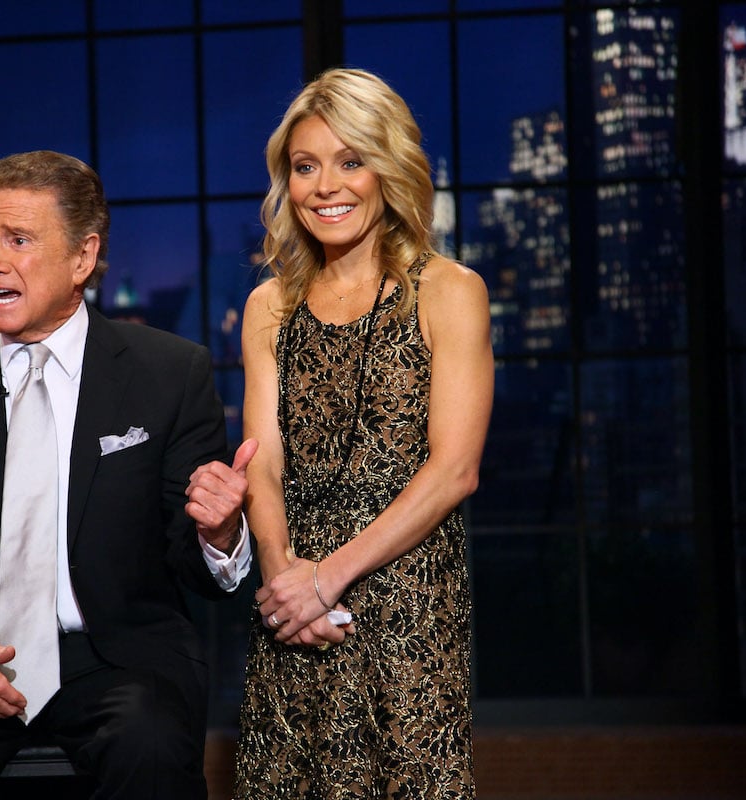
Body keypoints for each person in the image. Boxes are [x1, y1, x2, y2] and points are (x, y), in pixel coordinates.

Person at [0, 150, 257, 799]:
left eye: (18, 240)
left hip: (117, 657)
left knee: (150, 751)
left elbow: (197, 572)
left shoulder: (168, 373)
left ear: (83, 256)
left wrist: (220, 534)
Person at [236, 68, 493, 798]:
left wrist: (328, 579)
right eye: (305, 166)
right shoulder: (267, 307)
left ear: (389, 168)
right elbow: (261, 463)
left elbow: (455, 471)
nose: (325, 186)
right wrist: (284, 583)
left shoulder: (450, 290)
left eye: (350, 161)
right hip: (294, 608)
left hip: (408, 601)